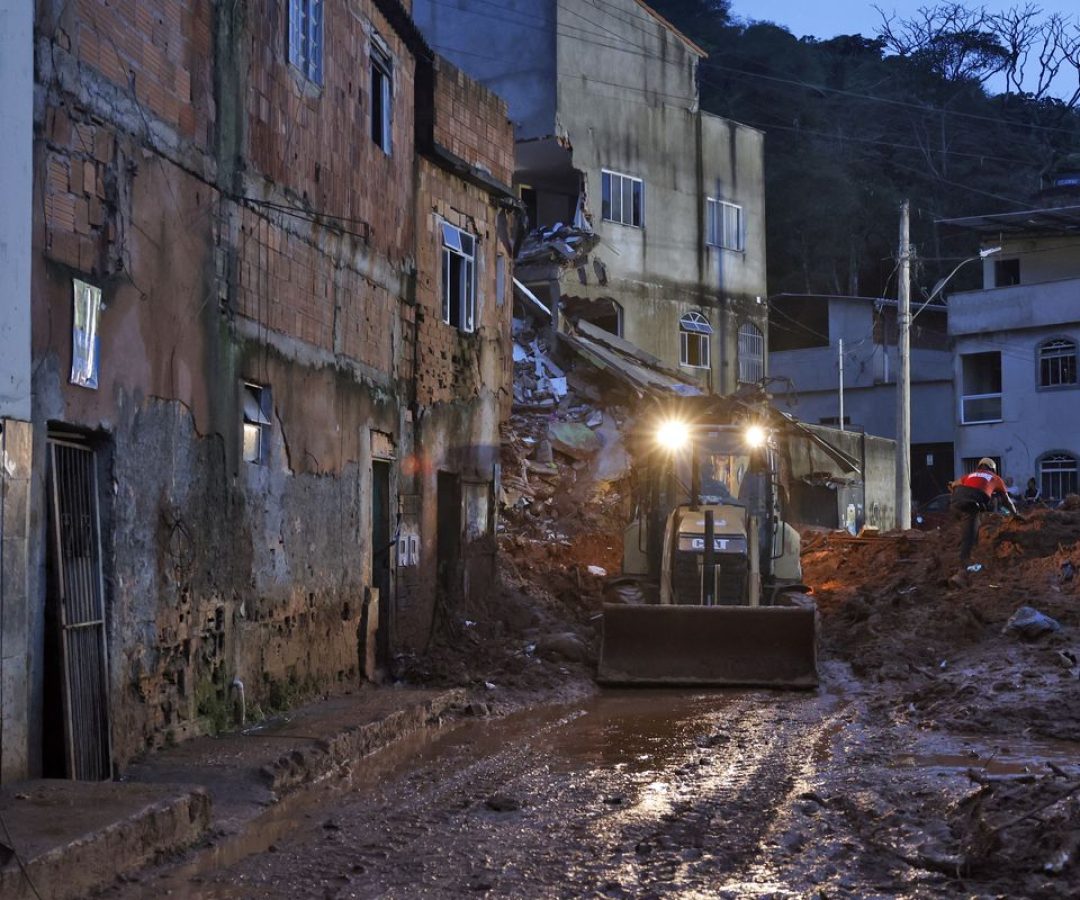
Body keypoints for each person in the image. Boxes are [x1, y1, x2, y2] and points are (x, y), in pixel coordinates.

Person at [950, 458, 1019, 563]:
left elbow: (953, 484)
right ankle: (964, 570)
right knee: (969, 539)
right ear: (993, 469)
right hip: (971, 504)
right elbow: (1007, 501)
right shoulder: (995, 478)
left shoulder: (970, 475)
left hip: (955, 504)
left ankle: (969, 549)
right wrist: (1015, 514)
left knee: (973, 525)